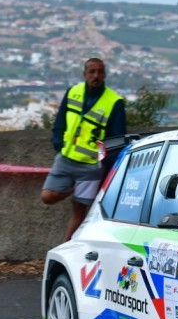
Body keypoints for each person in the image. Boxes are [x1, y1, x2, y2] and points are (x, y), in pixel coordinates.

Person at [41, 57, 126, 242]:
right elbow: (60, 121)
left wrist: (104, 164)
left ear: (105, 74)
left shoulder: (114, 101)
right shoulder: (73, 92)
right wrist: (59, 145)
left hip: (91, 165)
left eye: (100, 72)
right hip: (66, 157)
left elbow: (117, 139)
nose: (96, 76)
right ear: (85, 74)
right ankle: (74, 187)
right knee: (47, 196)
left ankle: (66, 246)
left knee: (79, 211)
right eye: (92, 71)